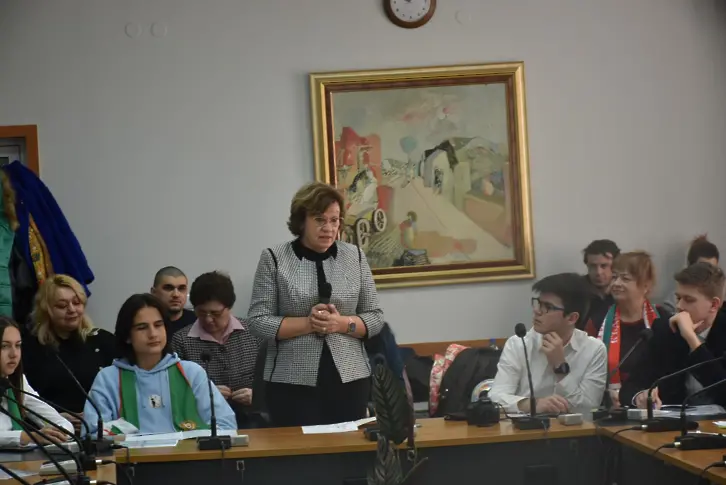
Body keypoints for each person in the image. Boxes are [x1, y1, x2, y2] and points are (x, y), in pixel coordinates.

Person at [247, 181, 385, 427]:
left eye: (335, 220)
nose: (329, 228)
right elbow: (258, 321)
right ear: (302, 221)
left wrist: (339, 324)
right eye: (320, 220)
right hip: (291, 382)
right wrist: (309, 324)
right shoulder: (274, 258)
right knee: (301, 450)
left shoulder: (355, 256)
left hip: (350, 379)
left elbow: (375, 317)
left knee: (348, 450)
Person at [84, 294, 236, 435]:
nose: (153, 334)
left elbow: (226, 425)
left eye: (158, 325)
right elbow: (92, 433)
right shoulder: (108, 378)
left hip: (186, 454)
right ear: (127, 336)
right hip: (130, 456)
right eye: (142, 327)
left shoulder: (191, 373)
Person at [489, 273, 607, 415]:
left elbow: (589, 409)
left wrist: (560, 367)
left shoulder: (594, 349)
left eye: (548, 307)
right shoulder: (518, 344)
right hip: (525, 427)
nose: (537, 311)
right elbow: (495, 397)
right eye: (538, 303)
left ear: (571, 318)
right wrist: (534, 404)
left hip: (573, 428)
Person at [621, 263, 726, 408]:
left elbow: (722, 392)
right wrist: (640, 397)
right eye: (678, 298)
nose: (679, 306)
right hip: (674, 420)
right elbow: (630, 387)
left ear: (714, 305)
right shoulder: (666, 330)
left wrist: (692, 339)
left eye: (689, 300)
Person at [21, 275, 116, 433]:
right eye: (62, 305)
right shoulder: (29, 348)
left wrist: (95, 417)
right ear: (46, 310)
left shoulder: (103, 341)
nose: (71, 310)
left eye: (76, 303)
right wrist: (55, 417)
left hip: (100, 432)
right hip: (53, 433)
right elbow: (23, 399)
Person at [172, 271, 262, 428]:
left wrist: (258, 396)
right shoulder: (181, 340)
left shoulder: (254, 332)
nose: (208, 319)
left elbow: (271, 381)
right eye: (201, 313)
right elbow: (175, 391)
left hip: (254, 420)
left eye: (216, 313)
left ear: (229, 307)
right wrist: (204, 396)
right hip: (204, 423)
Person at [586, 251, 671, 408]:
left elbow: (670, 370)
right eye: (614, 277)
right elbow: (586, 370)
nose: (617, 283)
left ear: (645, 286)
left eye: (625, 278)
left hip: (655, 406)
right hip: (609, 407)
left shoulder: (662, 319)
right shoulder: (598, 320)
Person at [0, 317, 73, 446]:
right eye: (4, 346)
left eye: (18, 345)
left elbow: (61, 423)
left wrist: (58, 433)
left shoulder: (17, 381)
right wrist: (29, 437)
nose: (14, 354)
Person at [662, 235, 720, 314]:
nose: (708, 275)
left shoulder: (720, 300)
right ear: (690, 266)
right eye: (702, 269)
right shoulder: (671, 303)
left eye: (713, 269)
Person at [579, 239, 620, 332]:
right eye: (592, 266)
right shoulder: (577, 290)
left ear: (616, 265)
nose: (598, 272)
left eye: (604, 266)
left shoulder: (625, 292)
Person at [150, 266, 196, 336]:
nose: (176, 294)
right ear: (154, 292)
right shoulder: (144, 322)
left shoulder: (198, 323)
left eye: (181, 288)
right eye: (168, 288)